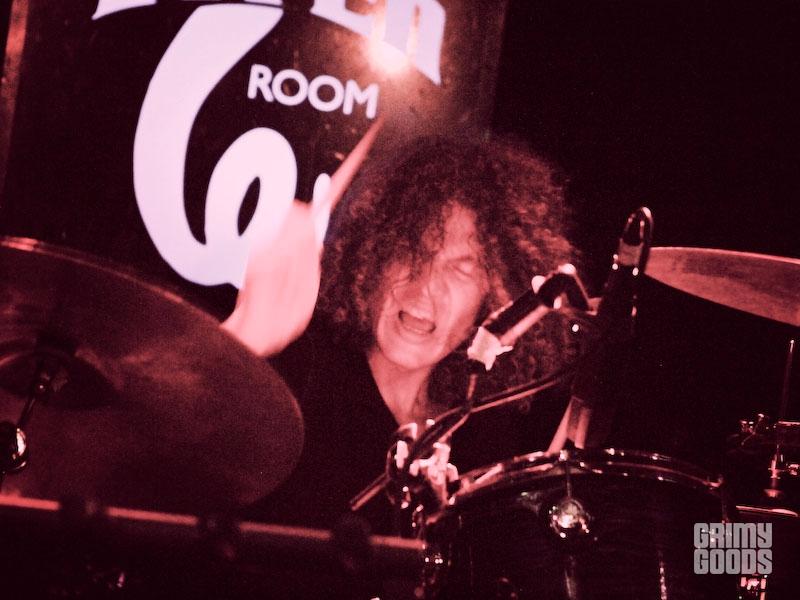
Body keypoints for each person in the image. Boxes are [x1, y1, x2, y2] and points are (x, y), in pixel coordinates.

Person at [224, 135, 578, 534]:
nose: (425, 286)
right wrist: (242, 341)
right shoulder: (298, 379)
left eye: (461, 268)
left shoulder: (488, 434)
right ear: (371, 259)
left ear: (493, 293)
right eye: (411, 253)